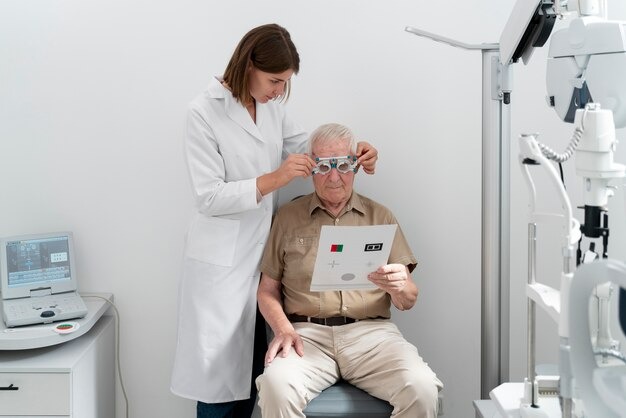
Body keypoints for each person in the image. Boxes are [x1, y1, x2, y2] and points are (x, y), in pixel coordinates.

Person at [170, 24, 378, 418]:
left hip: (263, 260)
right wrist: (275, 179)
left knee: (254, 378)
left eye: (285, 84)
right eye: (274, 80)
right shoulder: (202, 112)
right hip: (221, 266)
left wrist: (353, 151)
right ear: (249, 65)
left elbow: (308, 151)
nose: (279, 91)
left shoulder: (271, 108)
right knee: (218, 389)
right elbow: (208, 196)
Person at [256, 123, 443, 418]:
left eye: (343, 165)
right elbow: (267, 290)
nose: (334, 177)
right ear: (312, 168)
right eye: (324, 167)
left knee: (422, 388)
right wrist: (283, 329)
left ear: (355, 167)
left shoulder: (379, 216)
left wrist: (400, 286)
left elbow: (408, 299)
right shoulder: (288, 218)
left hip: (371, 335)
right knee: (275, 386)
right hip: (306, 335)